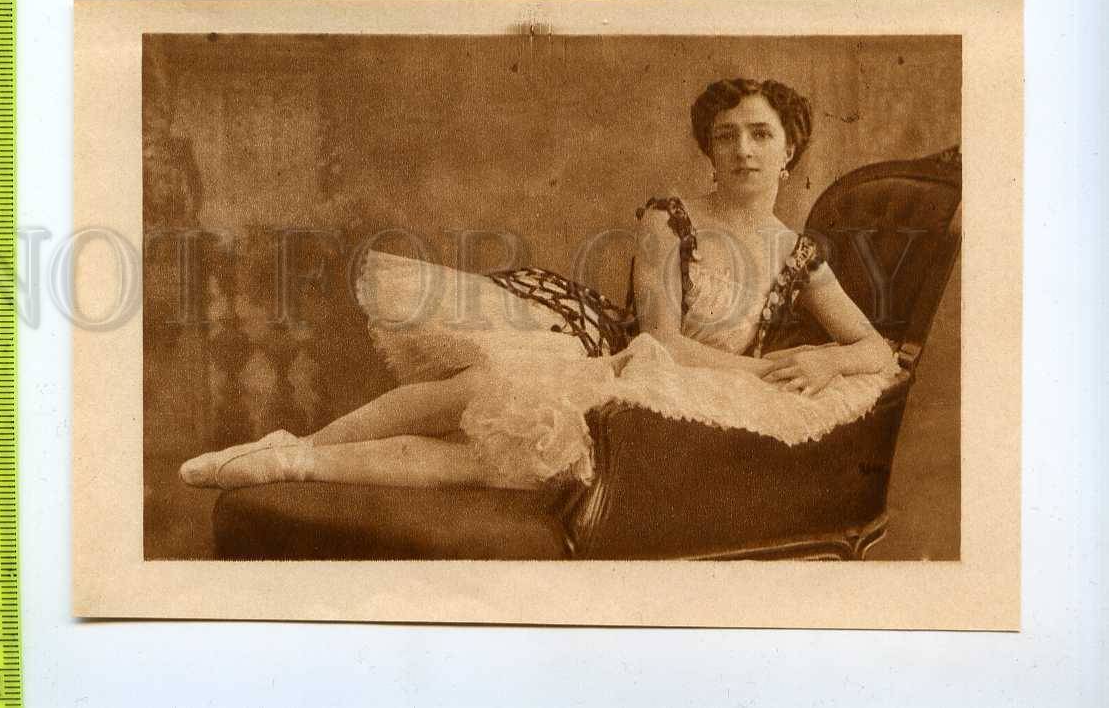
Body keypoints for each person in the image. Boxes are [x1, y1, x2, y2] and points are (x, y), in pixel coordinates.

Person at [179, 78, 900, 492]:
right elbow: (663, 340)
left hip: (689, 399)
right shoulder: (672, 219)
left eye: (760, 134)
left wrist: (827, 362)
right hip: (627, 356)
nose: (742, 149)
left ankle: (297, 465)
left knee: (495, 458)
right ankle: (292, 443)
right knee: (483, 388)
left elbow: (875, 349)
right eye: (725, 136)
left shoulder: (797, 254)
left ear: (790, 148)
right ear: (708, 151)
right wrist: (762, 371)